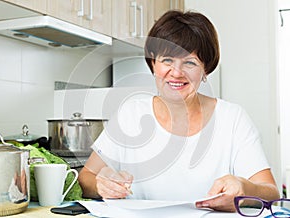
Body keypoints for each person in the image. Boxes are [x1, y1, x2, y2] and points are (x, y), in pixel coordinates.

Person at [78, 10, 280, 212]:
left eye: (190, 63)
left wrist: (244, 190)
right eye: (167, 60)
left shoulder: (232, 118)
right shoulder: (130, 114)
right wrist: (101, 184)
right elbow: (86, 178)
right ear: (153, 63)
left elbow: (271, 191)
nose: (176, 73)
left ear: (205, 70)